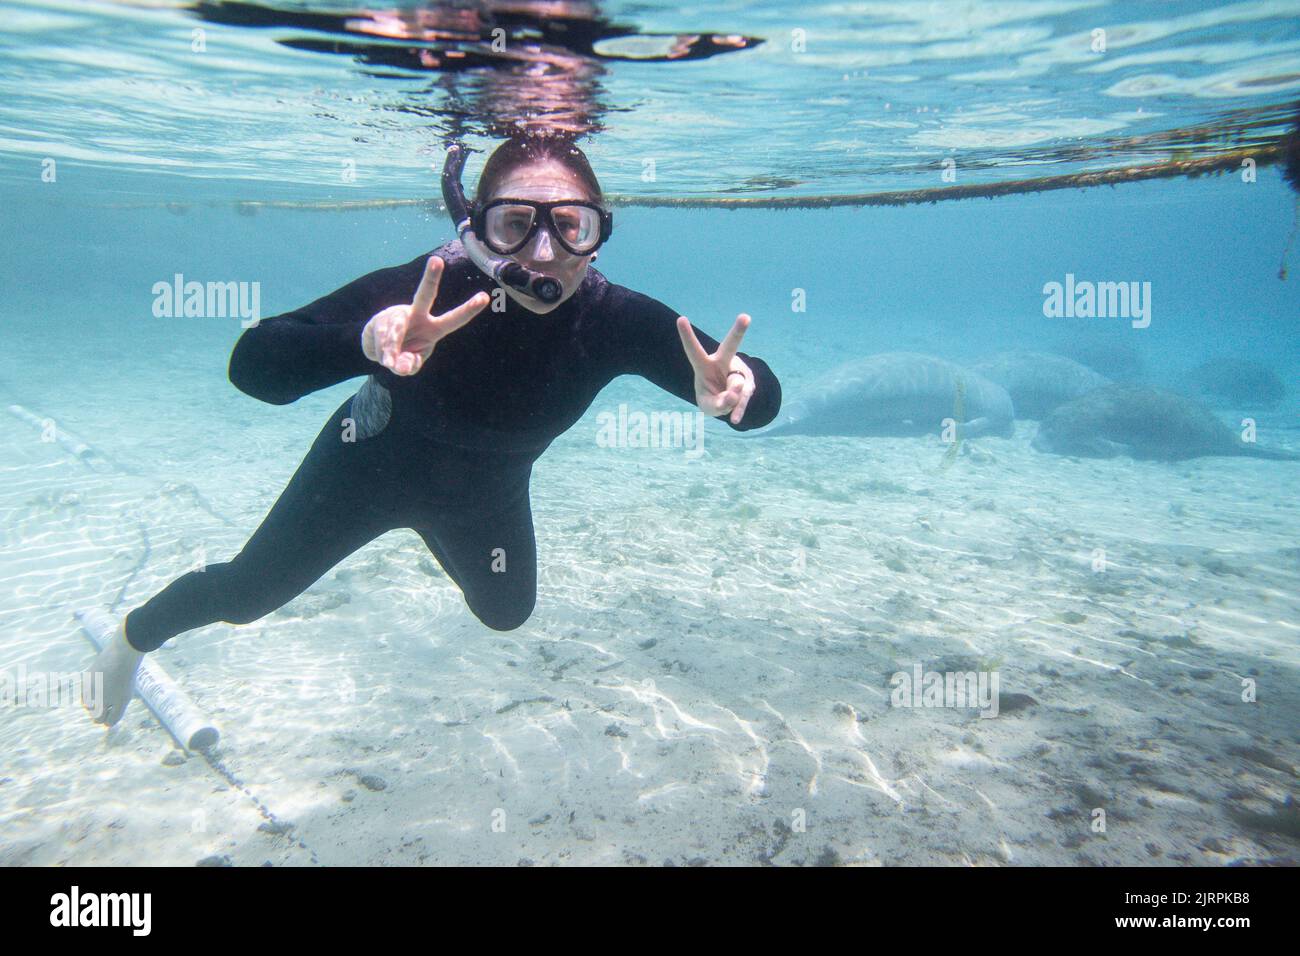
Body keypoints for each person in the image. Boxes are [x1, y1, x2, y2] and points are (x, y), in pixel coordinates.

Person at [86, 133, 781, 727]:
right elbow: (255, 366)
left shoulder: (615, 319)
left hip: (484, 496)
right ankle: (130, 637)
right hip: (361, 471)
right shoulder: (426, 285)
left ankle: (434, 528)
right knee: (243, 597)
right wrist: (361, 341)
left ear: (599, 235)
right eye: (515, 224)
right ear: (476, 228)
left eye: (571, 224)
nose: (543, 253)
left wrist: (742, 390)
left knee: (507, 613)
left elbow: (756, 395)